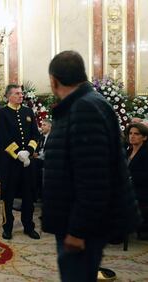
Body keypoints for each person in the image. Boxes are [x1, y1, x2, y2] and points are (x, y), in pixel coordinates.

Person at [43, 50, 140, 282]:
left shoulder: (84, 108)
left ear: (53, 81)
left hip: (81, 226)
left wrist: (78, 231)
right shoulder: (85, 104)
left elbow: (93, 178)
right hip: (78, 220)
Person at [0, 84, 40, 240]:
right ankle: (7, 227)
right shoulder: (2, 113)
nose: (21, 96)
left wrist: (27, 152)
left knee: (28, 194)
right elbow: (4, 137)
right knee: (8, 195)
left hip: (27, 162)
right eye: (17, 93)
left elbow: (35, 135)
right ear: (9, 96)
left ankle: (29, 226)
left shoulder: (28, 112)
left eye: (21, 93)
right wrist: (17, 154)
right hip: (10, 163)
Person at [126, 123, 148, 240]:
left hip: (141, 191)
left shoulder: (146, 153)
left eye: (136, 134)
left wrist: (130, 177)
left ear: (144, 137)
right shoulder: (127, 153)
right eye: (130, 133)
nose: (132, 136)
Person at [33, 119, 52, 200]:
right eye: (41, 125)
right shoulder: (41, 137)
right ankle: (33, 194)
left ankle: (36, 195)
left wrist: (38, 156)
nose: (42, 127)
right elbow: (37, 150)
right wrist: (35, 153)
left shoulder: (52, 137)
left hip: (48, 161)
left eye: (44, 125)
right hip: (39, 160)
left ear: (50, 127)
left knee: (34, 164)